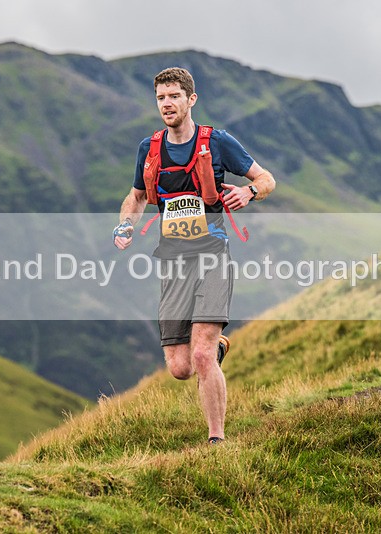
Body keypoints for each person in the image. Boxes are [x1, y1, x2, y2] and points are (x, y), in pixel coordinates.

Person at [113, 67, 275, 445]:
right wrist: (125, 226)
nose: (167, 104)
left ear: (191, 99)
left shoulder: (217, 142)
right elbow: (136, 197)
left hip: (213, 257)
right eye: (161, 98)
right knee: (180, 367)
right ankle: (216, 347)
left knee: (200, 356)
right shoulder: (149, 149)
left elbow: (266, 178)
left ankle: (217, 440)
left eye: (173, 96)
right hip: (173, 261)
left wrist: (249, 193)